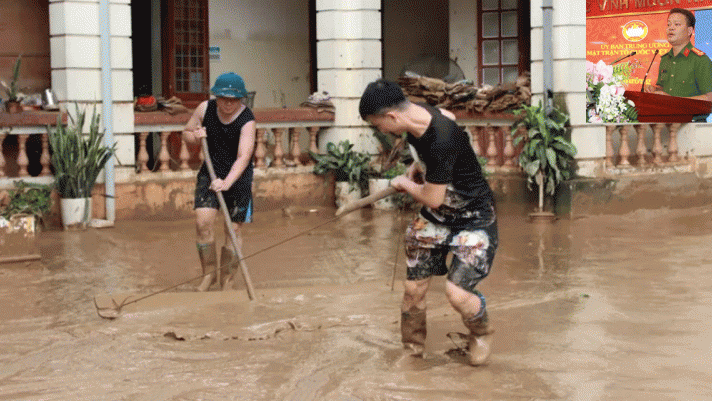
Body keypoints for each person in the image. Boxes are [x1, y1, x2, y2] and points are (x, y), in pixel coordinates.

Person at [359, 79, 498, 366]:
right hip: (437, 218)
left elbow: (432, 197)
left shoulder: (442, 140)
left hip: (473, 217)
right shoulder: (417, 115)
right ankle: (412, 351)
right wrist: (419, 166)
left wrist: (403, 183)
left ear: (392, 117)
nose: (380, 131)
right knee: (412, 292)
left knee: (457, 293)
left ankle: (482, 331)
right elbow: (449, 115)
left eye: (378, 124)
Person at [182, 72, 256, 291]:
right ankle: (209, 275)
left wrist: (226, 182)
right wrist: (194, 137)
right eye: (224, 98)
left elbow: (244, 157)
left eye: (233, 99)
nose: (228, 103)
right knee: (202, 222)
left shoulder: (247, 120)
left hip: (238, 177)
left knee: (232, 229)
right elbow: (186, 132)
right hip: (210, 172)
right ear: (216, 96)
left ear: (241, 99)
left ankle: (227, 280)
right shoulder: (204, 109)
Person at [644, 8, 712, 120]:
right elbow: (664, 89)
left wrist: (672, 100)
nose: (671, 28)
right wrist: (654, 90)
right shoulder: (665, 59)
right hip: (665, 123)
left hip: (692, 125)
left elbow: (710, 98)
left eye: (677, 24)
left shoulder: (700, 60)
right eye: (669, 24)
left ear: (689, 31)